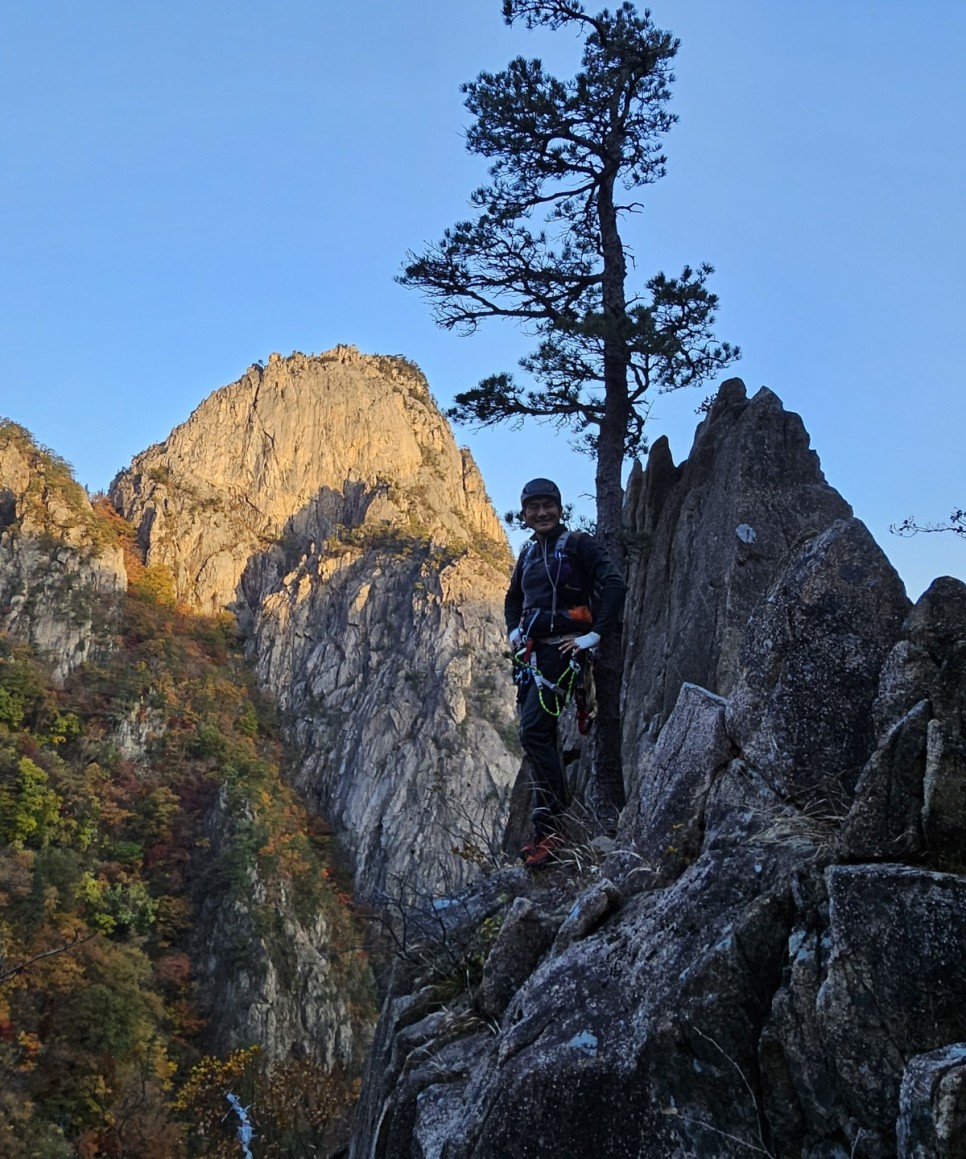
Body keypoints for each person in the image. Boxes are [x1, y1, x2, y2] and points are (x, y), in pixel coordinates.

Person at [505, 478, 627, 867]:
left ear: (559, 508)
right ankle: (547, 827)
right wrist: (513, 630)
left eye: (547, 505)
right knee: (536, 735)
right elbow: (513, 599)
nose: (541, 513)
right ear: (524, 515)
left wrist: (594, 635)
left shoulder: (578, 545)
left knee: (534, 731)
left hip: (565, 649)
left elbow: (614, 584)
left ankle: (552, 827)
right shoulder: (527, 555)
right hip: (534, 653)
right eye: (533, 507)